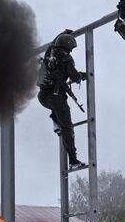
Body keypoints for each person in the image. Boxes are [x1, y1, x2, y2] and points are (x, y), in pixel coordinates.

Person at [37, 30, 88, 171]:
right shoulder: (66, 59)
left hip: (42, 96)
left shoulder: (49, 53)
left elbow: (54, 42)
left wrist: (63, 33)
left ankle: (55, 121)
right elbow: (75, 76)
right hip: (55, 97)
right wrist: (83, 76)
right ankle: (73, 160)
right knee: (67, 127)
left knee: (59, 110)